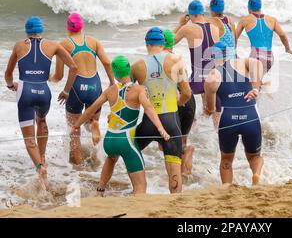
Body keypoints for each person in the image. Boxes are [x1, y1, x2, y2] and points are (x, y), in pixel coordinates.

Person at [73, 56, 170, 195]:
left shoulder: (109, 91)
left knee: (111, 158)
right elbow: (148, 108)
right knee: (141, 187)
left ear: (115, 74)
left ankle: (100, 190)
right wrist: (161, 129)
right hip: (126, 141)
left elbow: (90, 110)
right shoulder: (139, 89)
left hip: (110, 140)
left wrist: (77, 125)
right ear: (129, 70)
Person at [4, 16, 78, 190]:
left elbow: (8, 75)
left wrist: (10, 85)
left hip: (25, 92)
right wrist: (66, 91)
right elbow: (74, 67)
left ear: (27, 31)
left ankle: (40, 167)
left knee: (29, 140)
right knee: (42, 121)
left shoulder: (18, 45)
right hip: (44, 92)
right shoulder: (53, 45)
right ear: (41, 29)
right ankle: (42, 157)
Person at [132, 27, 192, 193]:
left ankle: (135, 190)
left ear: (147, 43)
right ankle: (175, 203)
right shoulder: (176, 60)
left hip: (148, 123)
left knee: (128, 151)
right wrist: (179, 103)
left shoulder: (136, 66)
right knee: (174, 169)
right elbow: (187, 92)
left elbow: (127, 96)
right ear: (163, 43)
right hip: (171, 122)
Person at [50, 13, 114, 165]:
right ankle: (93, 127)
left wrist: (49, 78)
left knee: (74, 130)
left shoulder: (63, 45)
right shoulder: (94, 41)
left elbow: (59, 76)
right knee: (90, 121)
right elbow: (106, 63)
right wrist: (112, 83)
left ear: (68, 26)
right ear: (82, 26)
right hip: (95, 86)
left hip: (76, 88)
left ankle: (78, 167)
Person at [204, 42, 264, 185]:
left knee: (226, 160)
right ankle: (256, 175)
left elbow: (211, 109)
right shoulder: (243, 63)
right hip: (251, 116)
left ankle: (227, 188)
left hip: (227, 120)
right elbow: (258, 64)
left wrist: (207, 111)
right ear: (229, 52)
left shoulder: (212, 75)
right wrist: (255, 89)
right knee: (255, 157)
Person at [174, 0, 222, 126]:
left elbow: (168, 43)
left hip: (197, 79)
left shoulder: (187, 28)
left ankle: (193, 128)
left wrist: (180, 24)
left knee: (181, 97)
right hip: (213, 78)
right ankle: (216, 141)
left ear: (191, 15)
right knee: (216, 117)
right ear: (202, 13)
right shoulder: (215, 29)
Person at [163, 29, 196, 175]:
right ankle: (184, 164)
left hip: (175, 101)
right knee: (182, 140)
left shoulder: (159, 60)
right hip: (189, 101)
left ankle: (178, 171)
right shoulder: (178, 59)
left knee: (166, 141)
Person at [236, 0, 292, 75]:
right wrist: (287, 49)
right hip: (269, 58)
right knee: (258, 79)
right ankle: (261, 86)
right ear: (260, 7)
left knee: (244, 77)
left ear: (249, 8)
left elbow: (234, 37)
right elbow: (282, 35)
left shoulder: (244, 20)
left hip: (256, 57)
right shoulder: (272, 20)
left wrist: (233, 53)